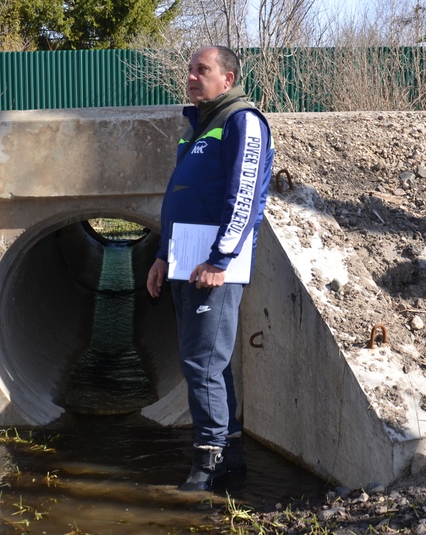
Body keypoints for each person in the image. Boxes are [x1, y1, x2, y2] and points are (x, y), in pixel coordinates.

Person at [146, 46, 274, 492]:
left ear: (228, 76)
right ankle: (231, 458)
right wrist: (163, 256)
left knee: (202, 364)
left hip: (213, 268)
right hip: (184, 261)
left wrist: (221, 260)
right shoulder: (197, 126)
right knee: (208, 365)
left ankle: (208, 463)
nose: (192, 76)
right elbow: (179, 197)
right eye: (190, 70)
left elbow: (246, 197)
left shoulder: (243, 121)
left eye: (203, 70)